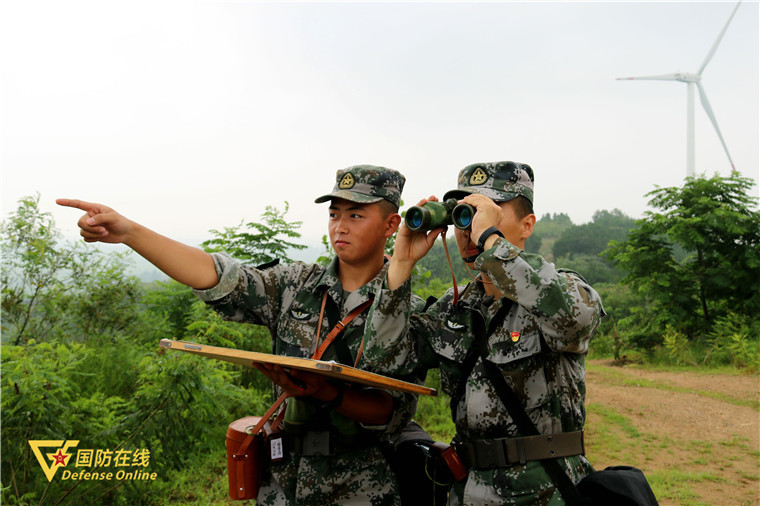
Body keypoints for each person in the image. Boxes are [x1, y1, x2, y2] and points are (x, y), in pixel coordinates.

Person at [57, 165, 424, 505]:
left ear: (391, 224)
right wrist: (130, 233)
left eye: (355, 215)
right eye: (334, 214)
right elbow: (219, 276)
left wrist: (328, 393)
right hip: (282, 479)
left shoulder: (409, 310)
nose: (339, 226)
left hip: (364, 482)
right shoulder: (296, 284)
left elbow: (394, 410)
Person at [362, 161, 606, 505]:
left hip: (544, 491)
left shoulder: (562, 289)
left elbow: (574, 318)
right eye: (463, 216)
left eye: (485, 213)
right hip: (468, 492)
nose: (469, 230)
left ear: (527, 224)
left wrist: (491, 241)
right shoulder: (455, 308)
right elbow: (384, 360)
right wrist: (401, 264)